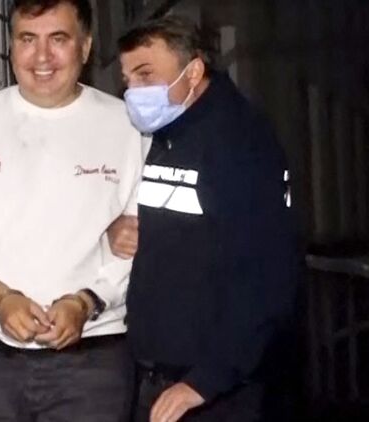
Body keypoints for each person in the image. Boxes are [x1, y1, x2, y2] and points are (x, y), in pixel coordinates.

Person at [0, 0, 148, 420]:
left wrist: (87, 302)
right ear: (11, 46)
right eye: (28, 39)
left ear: (85, 47)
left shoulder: (129, 129)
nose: (41, 56)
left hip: (94, 366)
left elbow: (142, 243)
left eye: (58, 39)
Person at [108, 16, 299, 422]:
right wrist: (124, 232)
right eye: (128, 79)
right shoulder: (170, 133)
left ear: (193, 72)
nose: (133, 91)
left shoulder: (240, 141)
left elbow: (268, 273)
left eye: (146, 75)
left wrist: (207, 380)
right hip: (159, 375)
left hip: (212, 393)